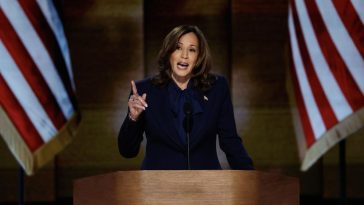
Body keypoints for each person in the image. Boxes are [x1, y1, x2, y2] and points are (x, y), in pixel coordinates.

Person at [118, 25, 254, 170]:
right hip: (158, 187)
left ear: (199, 57)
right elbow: (127, 151)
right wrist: (133, 118)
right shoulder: (144, 91)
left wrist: (251, 180)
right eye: (178, 47)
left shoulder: (217, 88)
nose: (184, 55)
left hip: (205, 185)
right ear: (169, 52)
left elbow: (230, 142)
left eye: (192, 50)